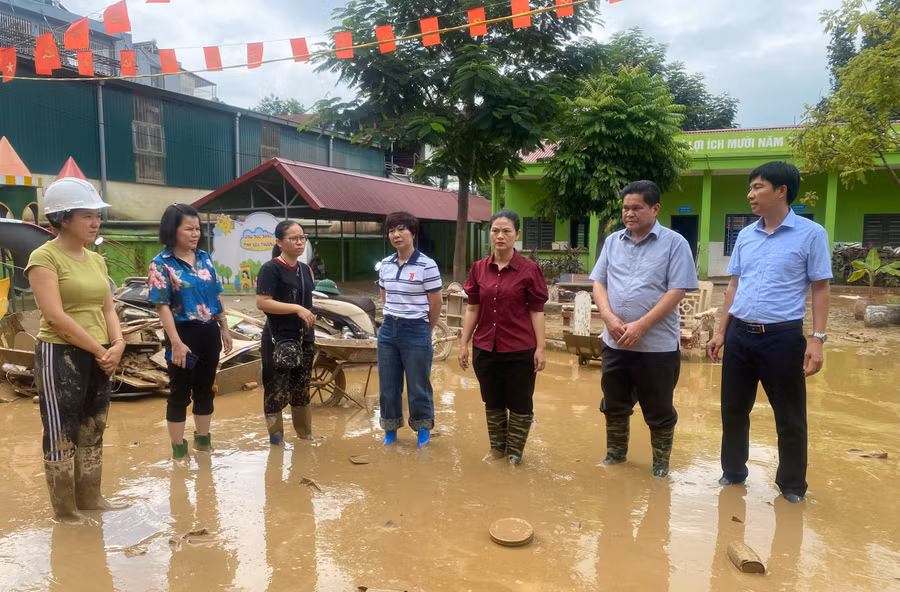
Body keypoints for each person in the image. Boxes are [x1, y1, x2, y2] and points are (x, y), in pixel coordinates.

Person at [707, 161, 831, 504]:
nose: (750, 194)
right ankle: (733, 473)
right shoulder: (746, 235)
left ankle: (791, 487)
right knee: (733, 410)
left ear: (782, 191)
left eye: (757, 187)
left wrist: (817, 340)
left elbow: (821, 289)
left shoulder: (811, 234)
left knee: (790, 416)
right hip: (740, 336)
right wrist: (721, 332)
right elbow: (733, 286)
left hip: (782, 338)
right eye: (750, 188)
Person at [26, 177, 126, 522]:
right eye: (87, 216)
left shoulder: (96, 260)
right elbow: (54, 316)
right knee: (60, 429)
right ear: (63, 218)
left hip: (100, 352)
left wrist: (118, 343)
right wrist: (100, 351)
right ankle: (65, 511)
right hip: (61, 354)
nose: (95, 222)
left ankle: (91, 497)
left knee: (93, 425)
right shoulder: (44, 257)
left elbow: (108, 308)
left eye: (97, 215)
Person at [590, 180, 699, 477]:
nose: (629, 213)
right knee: (613, 404)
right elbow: (599, 282)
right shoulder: (613, 241)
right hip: (615, 343)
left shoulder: (675, 243)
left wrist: (641, 325)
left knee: (659, 410)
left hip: (656, 347)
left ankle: (660, 468)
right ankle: (615, 458)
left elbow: (677, 289)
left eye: (636, 207)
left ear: (655, 208)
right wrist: (609, 318)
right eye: (625, 208)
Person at [458, 210, 548, 464]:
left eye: (507, 231)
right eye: (495, 230)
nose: (500, 236)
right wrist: (463, 343)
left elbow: (536, 311)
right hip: (486, 347)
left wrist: (540, 348)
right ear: (490, 235)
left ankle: (515, 455)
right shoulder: (478, 269)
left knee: (520, 403)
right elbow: (473, 308)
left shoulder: (530, 270)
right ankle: (497, 449)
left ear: (516, 235)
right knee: (493, 400)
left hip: (519, 348)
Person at [149, 204, 232, 459]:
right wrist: (175, 342)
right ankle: (178, 450)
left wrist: (225, 328)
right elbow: (162, 306)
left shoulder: (205, 257)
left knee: (205, 389)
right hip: (182, 333)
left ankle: (203, 443)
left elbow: (215, 296)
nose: (195, 234)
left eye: (197, 229)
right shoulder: (161, 264)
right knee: (180, 392)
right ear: (173, 230)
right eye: (189, 229)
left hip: (209, 333)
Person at [377, 211, 443, 447]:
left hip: (416, 329)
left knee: (418, 384)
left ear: (413, 233)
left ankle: (423, 432)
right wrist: (391, 318)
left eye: (402, 229)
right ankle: (390, 431)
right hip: (388, 330)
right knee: (388, 385)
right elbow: (384, 296)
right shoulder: (385, 264)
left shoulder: (427, 265)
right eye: (392, 230)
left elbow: (436, 302)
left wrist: (427, 329)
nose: (396, 235)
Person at [255, 220, 317, 445]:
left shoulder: (306, 269)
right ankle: (277, 441)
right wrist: (297, 309)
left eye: (302, 237)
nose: (299, 242)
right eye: (293, 238)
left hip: (305, 338)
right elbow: (262, 303)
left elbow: (308, 301)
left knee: (301, 389)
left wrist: (307, 313)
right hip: (278, 338)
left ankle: (305, 437)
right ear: (279, 242)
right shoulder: (270, 269)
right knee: (275, 391)